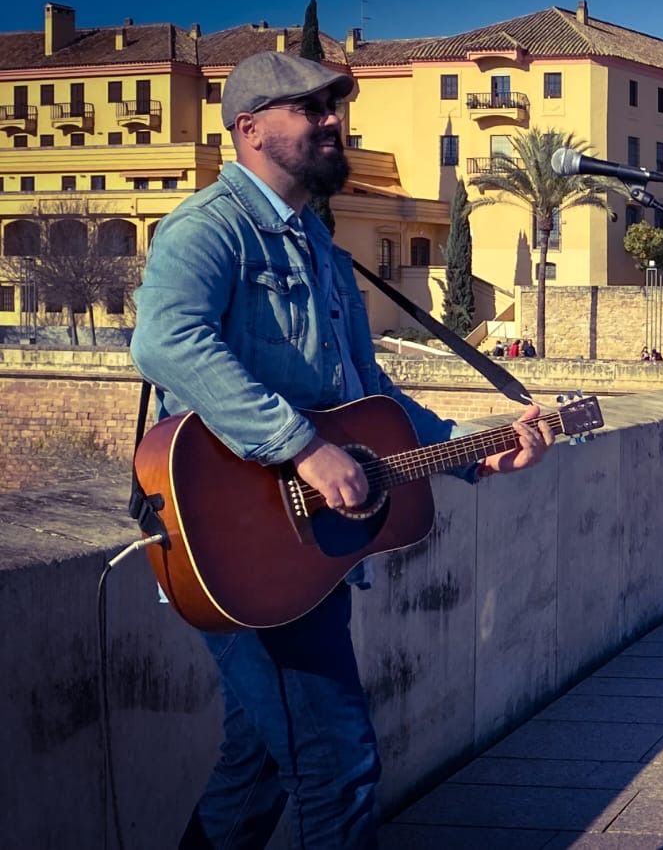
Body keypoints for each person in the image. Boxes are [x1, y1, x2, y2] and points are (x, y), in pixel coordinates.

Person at [127, 51, 554, 848]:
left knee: (254, 770)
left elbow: (371, 397)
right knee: (338, 770)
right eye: (310, 107)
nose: (333, 120)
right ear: (249, 130)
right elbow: (166, 342)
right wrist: (299, 447)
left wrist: (473, 448)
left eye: (335, 104)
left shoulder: (319, 249)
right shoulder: (207, 229)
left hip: (302, 549)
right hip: (235, 541)